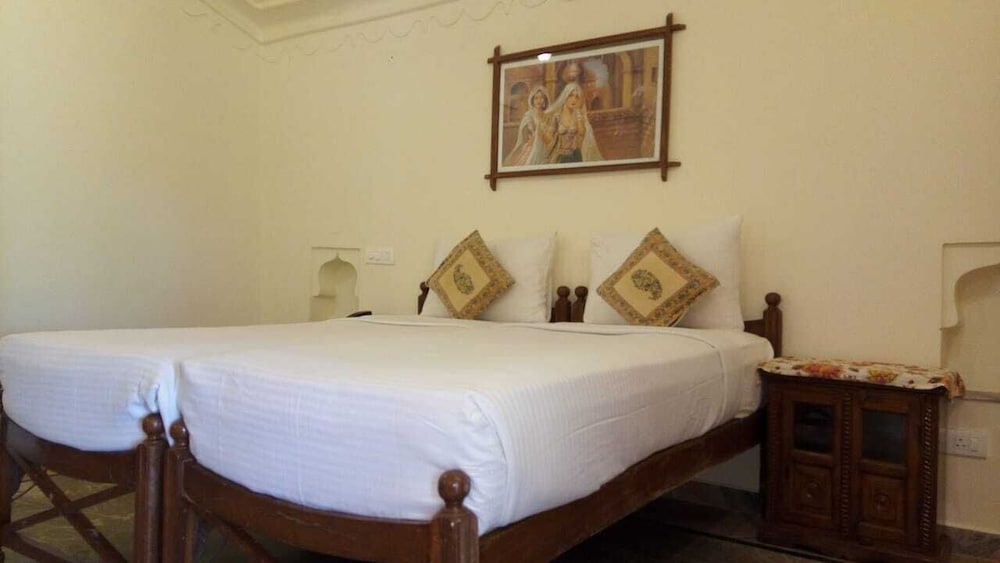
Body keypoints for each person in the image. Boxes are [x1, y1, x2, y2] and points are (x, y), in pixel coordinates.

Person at [540, 82, 602, 164]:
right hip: (561, 156)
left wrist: (579, 114)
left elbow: (582, 133)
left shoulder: (578, 116)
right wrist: (541, 128)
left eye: (576, 97)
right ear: (565, 97)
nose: (574, 100)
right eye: (571, 96)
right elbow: (548, 140)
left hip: (576, 155)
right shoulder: (557, 116)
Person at [503, 86, 550, 167]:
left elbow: (550, 136)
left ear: (545, 100)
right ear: (532, 100)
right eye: (536, 98)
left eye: (541, 98)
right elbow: (526, 137)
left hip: (545, 146)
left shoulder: (548, 116)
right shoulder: (529, 115)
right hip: (532, 147)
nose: (539, 100)